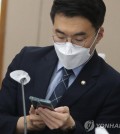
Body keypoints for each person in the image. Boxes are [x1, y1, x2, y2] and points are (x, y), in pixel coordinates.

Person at [0, 0, 120, 133]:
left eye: (79, 39)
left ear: (99, 35)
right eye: (60, 36)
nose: (68, 47)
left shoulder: (113, 84)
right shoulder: (26, 60)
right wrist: (23, 123)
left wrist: (72, 127)